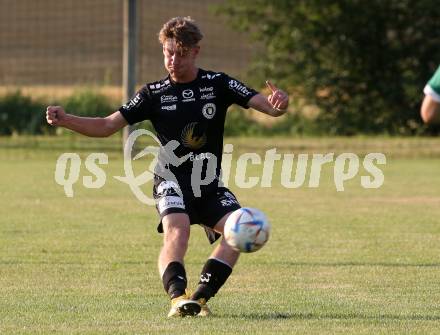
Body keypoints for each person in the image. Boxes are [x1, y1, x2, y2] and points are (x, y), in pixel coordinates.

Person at [46, 16, 289, 317]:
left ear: (196, 51)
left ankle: (198, 300)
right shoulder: (153, 93)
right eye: (168, 52)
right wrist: (66, 119)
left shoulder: (219, 84)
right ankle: (177, 297)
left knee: (238, 229)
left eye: (182, 53)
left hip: (208, 182)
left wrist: (278, 104)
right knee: (178, 229)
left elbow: (267, 107)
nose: (174, 60)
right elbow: (107, 125)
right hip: (170, 178)